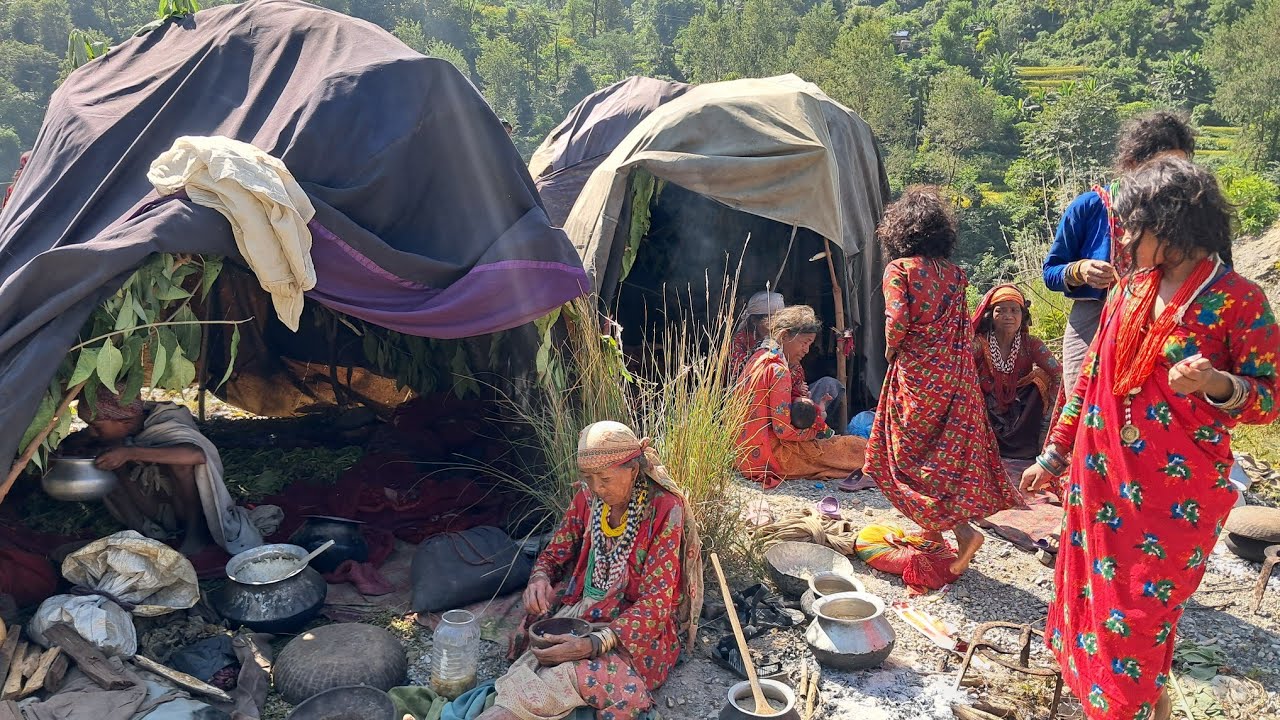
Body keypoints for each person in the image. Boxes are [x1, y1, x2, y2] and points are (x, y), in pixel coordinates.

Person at [1021, 158, 1278, 720]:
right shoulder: (1130, 290)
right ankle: (1138, 707)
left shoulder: (1239, 301)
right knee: (1095, 603)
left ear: (1170, 228)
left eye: (1132, 228)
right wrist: (1054, 453)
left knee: (1140, 612)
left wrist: (1217, 384)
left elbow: (1269, 398)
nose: (1123, 240)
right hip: (1099, 480)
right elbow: (1091, 377)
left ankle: (1124, 708)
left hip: (1172, 497)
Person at [484, 421, 702, 720]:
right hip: (583, 608)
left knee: (585, 674)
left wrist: (594, 644)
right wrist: (540, 578)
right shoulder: (587, 498)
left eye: (605, 478)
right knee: (541, 656)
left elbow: (656, 603)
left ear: (633, 470)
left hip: (633, 626)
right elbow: (555, 554)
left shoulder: (664, 507)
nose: (597, 488)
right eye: (588, 478)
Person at [862, 187, 1024, 575]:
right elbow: (963, 329)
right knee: (940, 456)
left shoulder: (899, 269)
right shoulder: (955, 275)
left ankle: (964, 533)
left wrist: (891, 353)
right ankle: (933, 533)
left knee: (905, 457)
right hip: (956, 377)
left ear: (899, 230)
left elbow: (896, 322)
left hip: (918, 375)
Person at [1044, 112, 1196, 396]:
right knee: (1084, 402)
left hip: (1161, 319)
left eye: (1181, 168)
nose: (1174, 177)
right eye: (1164, 166)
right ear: (1134, 163)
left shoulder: (1187, 215)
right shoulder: (1090, 206)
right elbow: (1050, 272)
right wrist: (1079, 270)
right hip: (1092, 321)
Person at [61, 388, 265, 555]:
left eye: (96, 427)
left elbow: (196, 455)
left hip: (185, 507)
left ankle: (195, 532)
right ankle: (140, 529)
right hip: (152, 508)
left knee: (181, 463)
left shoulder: (166, 421)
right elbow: (81, 442)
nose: (92, 432)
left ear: (126, 422)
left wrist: (129, 453)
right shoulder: (119, 423)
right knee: (107, 458)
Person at [736, 305, 866, 489]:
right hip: (773, 457)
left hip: (745, 454)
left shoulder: (758, 356)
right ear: (784, 335)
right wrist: (817, 432)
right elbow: (783, 431)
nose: (806, 350)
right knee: (856, 449)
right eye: (804, 342)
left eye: (810, 344)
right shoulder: (778, 371)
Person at [971, 284, 1063, 459]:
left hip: (1021, 413)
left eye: (1014, 310)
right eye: (1001, 311)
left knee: (1042, 379)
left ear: (1023, 316)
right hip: (985, 413)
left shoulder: (1031, 344)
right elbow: (959, 363)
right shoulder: (979, 344)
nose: (1008, 316)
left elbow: (1058, 373)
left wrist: (1048, 419)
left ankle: (1038, 440)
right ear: (990, 316)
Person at [728, 290, 845, 425]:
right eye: (770, 319)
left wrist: (800, 393)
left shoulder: (779, 352)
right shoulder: (772, 364)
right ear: (754, 320)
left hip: (788, 404)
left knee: (828, 386)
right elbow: (781, 426)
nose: (774, 323)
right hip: (769, 417)